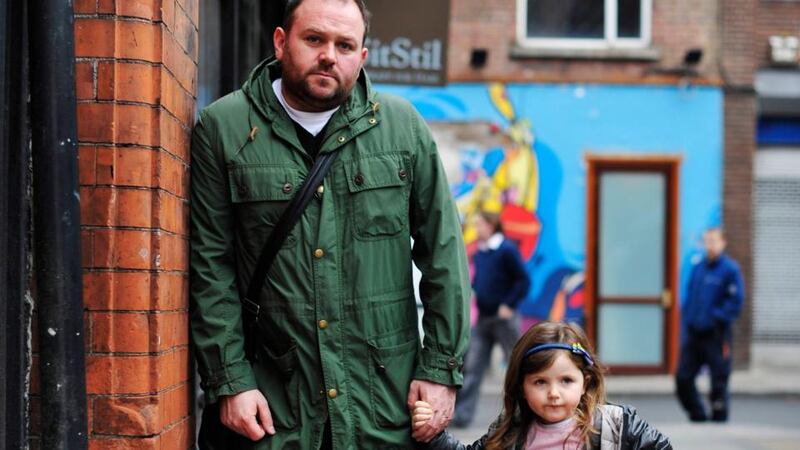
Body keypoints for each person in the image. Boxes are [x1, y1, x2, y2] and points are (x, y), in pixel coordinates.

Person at [189, 0, 471, 448]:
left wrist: (440, 371)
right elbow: (210, 267)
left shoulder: (402, 128)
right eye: (314, 39)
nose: (329, 56)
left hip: (382, 403)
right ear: (281, 42)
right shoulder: (224, 127)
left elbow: (444, 255)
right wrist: (231, 381)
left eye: (345, 45)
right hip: (274, 403)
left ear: (361, 58)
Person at [412, 321, 672, 450]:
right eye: (539, 382)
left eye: (566, 380)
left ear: (585, 382)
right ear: (522, 386)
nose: (554, 394)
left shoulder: (619, 426)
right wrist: (434, 435)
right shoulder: (511, 432)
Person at [452, 211, 530, 427]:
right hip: (484, 319)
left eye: (479, 225)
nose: (476, 229)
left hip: (504, 319)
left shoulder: (506, 250)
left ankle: (526, 414)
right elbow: (482, 280)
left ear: (491, 226)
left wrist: (509, 304)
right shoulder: (481, 252)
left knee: (519, 367)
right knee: (472, 367)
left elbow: (523, 280)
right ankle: (462, 416)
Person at [676, 227, 744, 422]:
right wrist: (688, 320)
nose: (710, 245)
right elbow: (690, 298)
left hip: (716, 334)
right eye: (707, 241)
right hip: (694, 333)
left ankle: (719, 418)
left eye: (714, 241)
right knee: (683, 378)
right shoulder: (698, 267)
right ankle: (697, 413)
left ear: (723, 243)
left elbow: (735, 301)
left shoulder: (730, 270)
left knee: (718, 380)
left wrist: (716, 318)